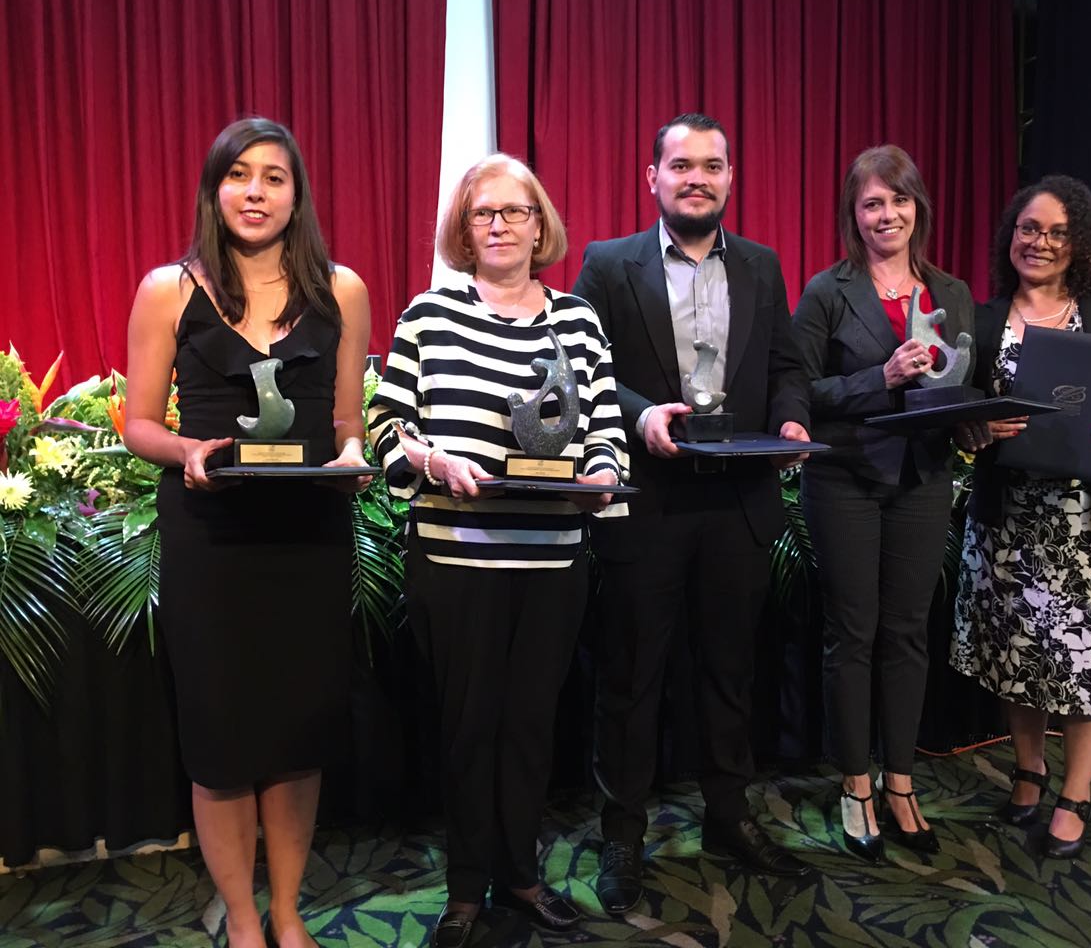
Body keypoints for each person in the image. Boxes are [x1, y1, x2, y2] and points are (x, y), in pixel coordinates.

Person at [366, 153, 627, 948]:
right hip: (456, 562)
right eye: (486, 214)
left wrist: (607, 470)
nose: (502, 226)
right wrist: (429, 459)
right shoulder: (427, 318)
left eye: (516, 212)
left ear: (541, 225)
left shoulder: (577, 321)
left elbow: (606, 430)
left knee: (530, 729)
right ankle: (464, 889)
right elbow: (384, 430)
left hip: (551, 566)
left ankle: (520, 876)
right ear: (464, 231)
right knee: (469, 727)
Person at [123, 117, 371, 948]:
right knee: (223, 739)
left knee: (298, 734)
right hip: (212, 538)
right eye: (239, 175)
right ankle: (240, 914)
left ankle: (290, 910)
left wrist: (351, 458)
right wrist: (187, 447)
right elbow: (138, 423)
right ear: (213, 190)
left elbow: (347, 420)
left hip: (308, 536)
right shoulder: (169, 289)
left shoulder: (344, 290)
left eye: (274, 177)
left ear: (297, 194)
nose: (255, 192)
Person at [573, 112, 812, 916]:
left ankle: (727, 818)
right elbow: (582, 365)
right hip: (647, 500)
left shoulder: (763, 266)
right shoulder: (608, 265)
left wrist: (789, 421)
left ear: (730, 178)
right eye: (681, 165)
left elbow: (784, 365)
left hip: (739, 504)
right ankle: (623, 835)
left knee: (729, 674)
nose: (697, 177)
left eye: (712, 165)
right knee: (631, 680)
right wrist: (642, 415)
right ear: (653, 178)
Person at [951, 174, 1091, 858]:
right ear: (1010, 236)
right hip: (1013, 525)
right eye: (1028, 229)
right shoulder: (983, 320)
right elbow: (958, 416)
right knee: (1021, 658)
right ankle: (1028, 771)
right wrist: (979, 430)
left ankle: (1074, 795)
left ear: (1079, 242)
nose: (1039, 242)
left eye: (1055, 232)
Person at [790, 145, 974, 863]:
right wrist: (882, 375)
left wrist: (981, 418)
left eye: (898, 201)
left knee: (907, 633)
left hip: (923, 480)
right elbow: (801, 389)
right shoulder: (827, 291)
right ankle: (856, 783)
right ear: (854, 216)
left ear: (917, 207)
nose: (886, 215)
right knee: (853, 633)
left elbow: (963, 382)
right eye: (872, 204)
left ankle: (901, 781)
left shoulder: (951, 292)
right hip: (845, 479)